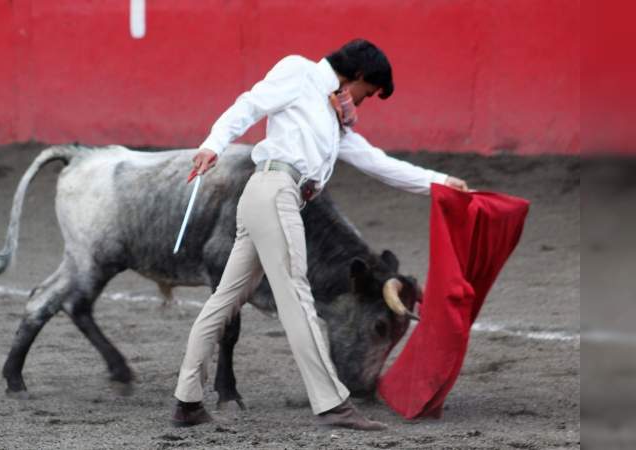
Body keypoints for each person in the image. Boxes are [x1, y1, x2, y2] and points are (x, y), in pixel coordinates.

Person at [170, 39, 469, 430]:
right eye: (368, 92)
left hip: (270, 197)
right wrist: (213, 144)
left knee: (222, 302)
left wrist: (440, 181)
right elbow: (250, 104)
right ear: (358, 75)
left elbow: (376, 163)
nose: (363, 101)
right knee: (297, 299)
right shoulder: (299, 71)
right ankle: (333, 405)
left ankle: (187, 401)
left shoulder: (332, 115)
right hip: (275, 193)